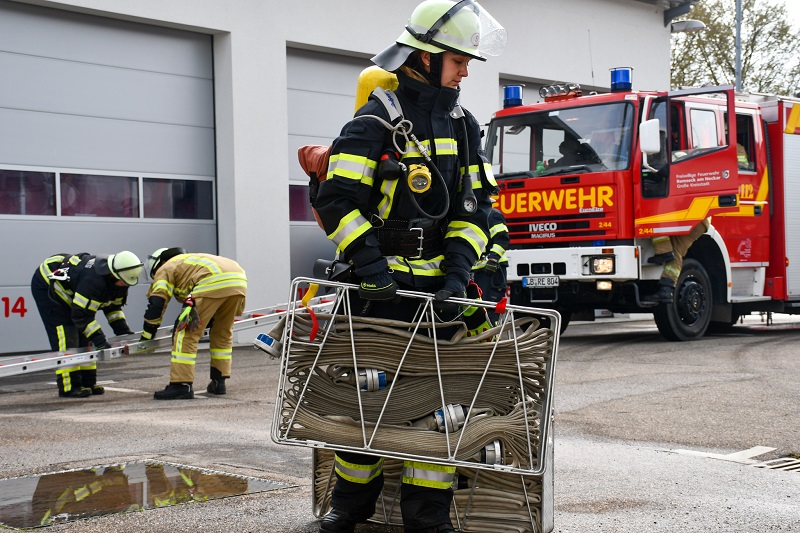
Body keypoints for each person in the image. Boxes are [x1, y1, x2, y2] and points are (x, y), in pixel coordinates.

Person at [313, 1, 506, 531]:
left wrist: (458, 274)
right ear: (424, 57)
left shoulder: (465, 125)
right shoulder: (374, 119)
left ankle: (428, 517)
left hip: (438, 298)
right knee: (365, 400)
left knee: (436, 407)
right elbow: (336, 201)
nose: (466, 70)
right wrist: (373, 269)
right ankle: (348, 508)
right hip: (376, 294)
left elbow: (476, 209)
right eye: (459, 60)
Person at [139, 248, 247, 400]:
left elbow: (157, 302)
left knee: (185, 333)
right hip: (238, 280)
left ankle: (181, 385)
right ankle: (219, 382)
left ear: (161, 262)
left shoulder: (166, 267)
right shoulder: (189, 261)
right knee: (222, 332)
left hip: (211, 282)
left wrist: (148, 333)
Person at [30, 251, 141, 398]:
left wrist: (123, 332)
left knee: (85, 336)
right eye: (124, 281)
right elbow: (81, 316)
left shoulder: (121, 279)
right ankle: (69, 387)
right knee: (66, 334)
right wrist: (100, 340)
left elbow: (113, 308)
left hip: (71, 288)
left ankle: (88, 383)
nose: (125, 285)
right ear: (113, 274)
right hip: (48, 284)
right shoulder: (93, 282)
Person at [644, 218, 710, 303]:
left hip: (693, 218)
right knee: (677, 250)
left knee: (651, 219)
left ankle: (664, 251)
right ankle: (666, 289)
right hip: (700, 221)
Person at [472, 208, 509, 324]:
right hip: (477, 271)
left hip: (492, 270)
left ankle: (493, 338)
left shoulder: (493, 215)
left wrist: (493, 259)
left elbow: (502, 239)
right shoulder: (473, 216)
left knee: (490, 308)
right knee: (477, 309)